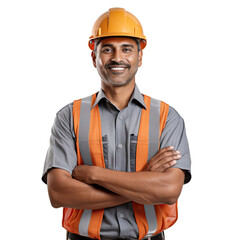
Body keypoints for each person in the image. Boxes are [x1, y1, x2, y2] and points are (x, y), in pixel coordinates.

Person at [42, 8, 191, 240]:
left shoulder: (167, 117)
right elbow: (58, 192)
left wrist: (94, 175)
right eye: (107, 49)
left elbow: (169, 190)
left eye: (127, 49)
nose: (117, 58)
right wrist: (145, 183)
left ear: (140, 57)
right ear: (94, 57)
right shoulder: (69, 116)